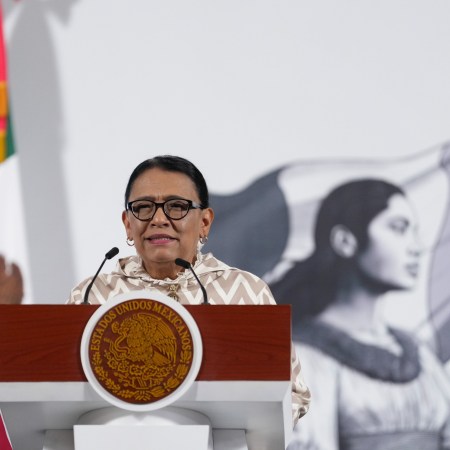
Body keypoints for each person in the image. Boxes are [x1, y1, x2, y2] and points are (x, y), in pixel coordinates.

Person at [67, 154, 310, 425]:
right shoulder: (92, 295)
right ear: (128, 223)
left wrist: (244, 431)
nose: (159, 219)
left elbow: (293, 395)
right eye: (144, 207)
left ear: (204, 222)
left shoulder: (246, 292)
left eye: (177, 206)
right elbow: (63, 390)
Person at [270, 178, 450, 449]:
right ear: (345, 241)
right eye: (398, 228)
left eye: (414, 231)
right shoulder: (301, 357)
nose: (416, 247)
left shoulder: (419, 354)